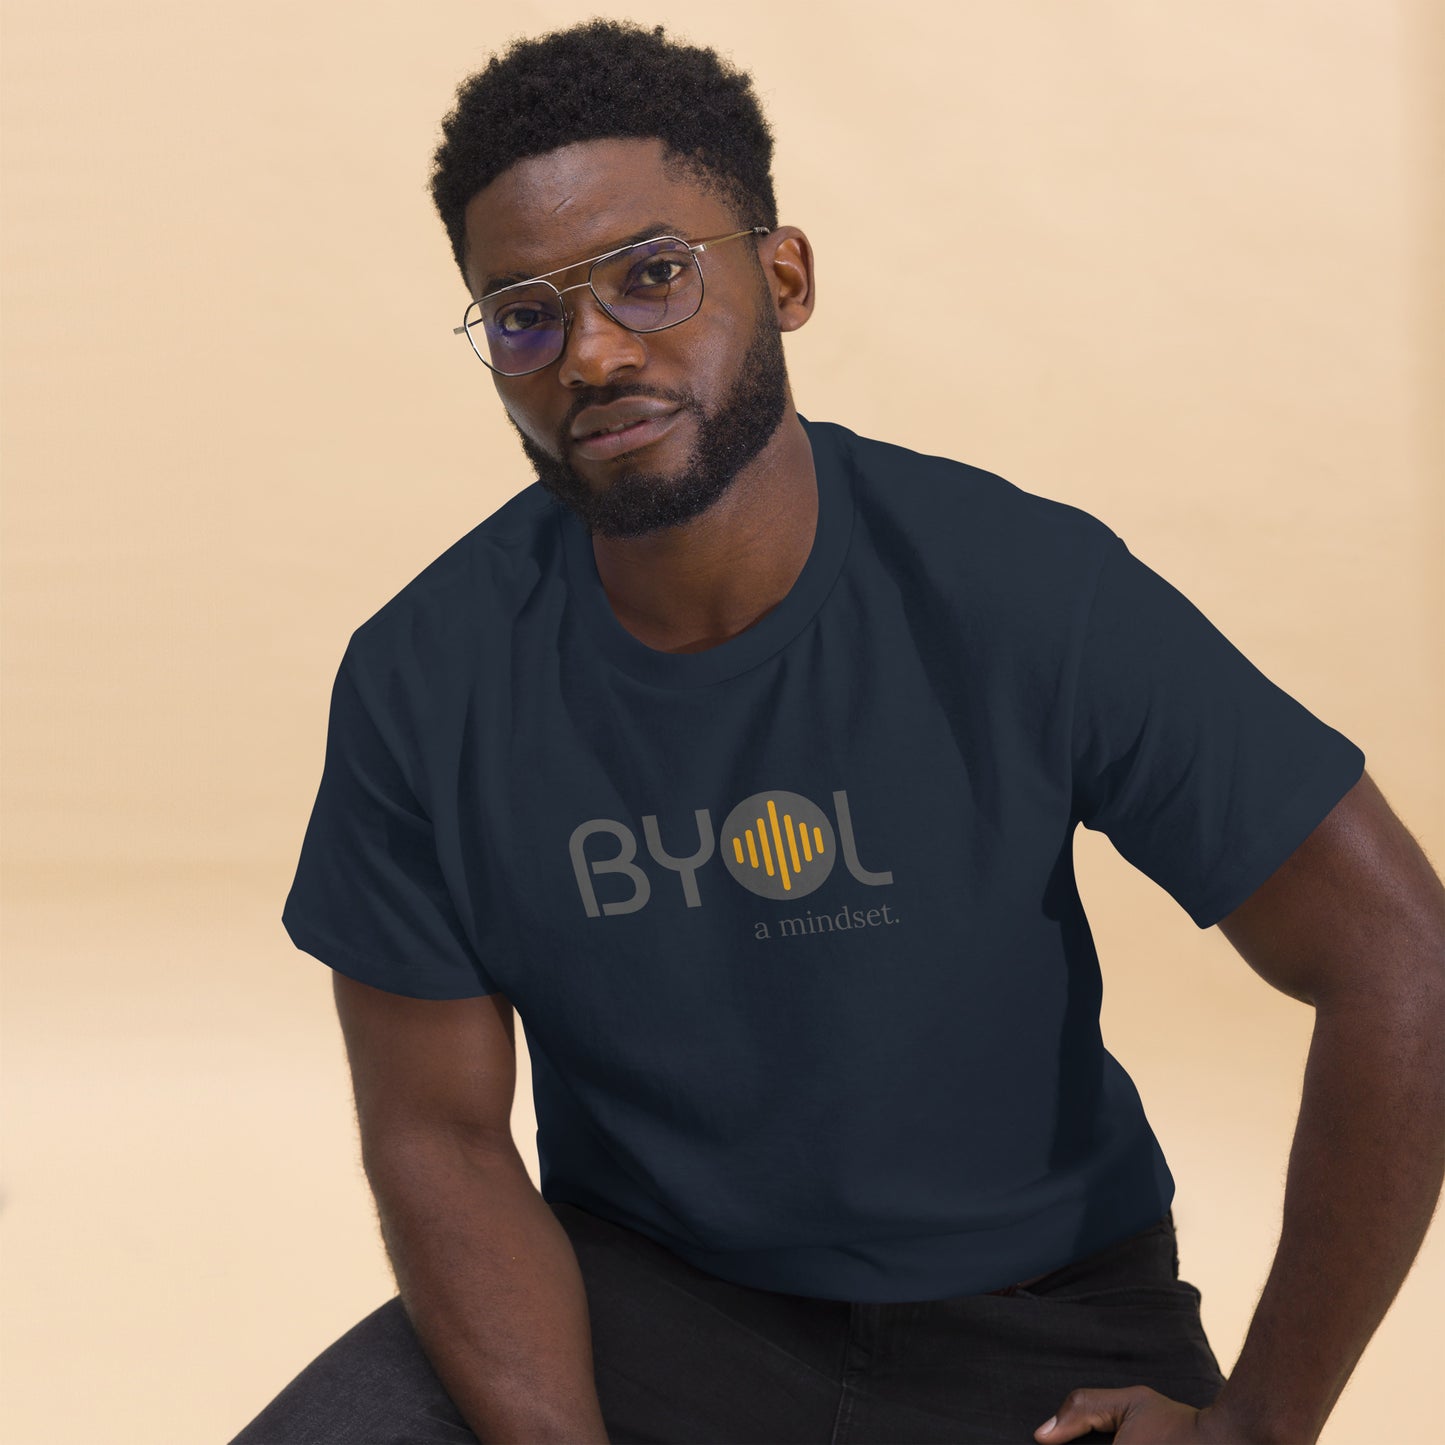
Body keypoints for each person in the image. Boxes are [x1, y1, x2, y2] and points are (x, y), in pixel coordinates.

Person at [230, 19, 1445, 1445]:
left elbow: (1397, 957)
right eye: (524, 316)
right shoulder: (421, 677)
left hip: (1034, 1330)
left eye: (652, 275)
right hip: (644, 1307)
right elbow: (436, 1131)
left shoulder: (1017, 588)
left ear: (783, 276)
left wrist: (1259, 1424)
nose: (594, 352)